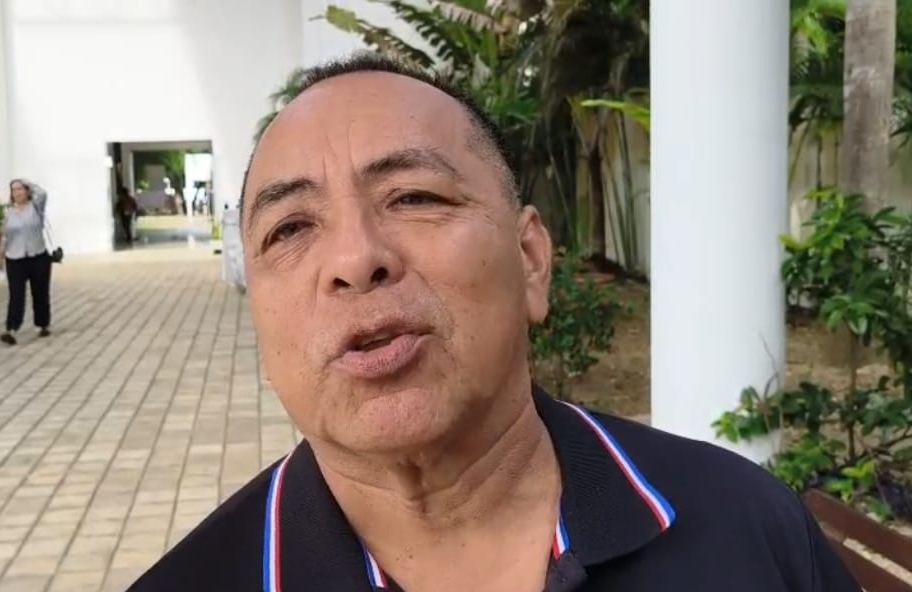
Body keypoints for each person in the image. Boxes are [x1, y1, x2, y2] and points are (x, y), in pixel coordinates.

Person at [129, 53, 860, 592]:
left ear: (532, 259)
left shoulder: (745, 526)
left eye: (414, 197)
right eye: (290, 228)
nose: (356, 259)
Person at [0, 178, 52, 345]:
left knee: (40, 292)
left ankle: (41, 324)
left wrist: (25, 181)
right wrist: (0, 256)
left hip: (38, 255)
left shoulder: (36, 206)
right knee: (16, 295)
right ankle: (11, 329)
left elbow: (43, 193)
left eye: (20, 189)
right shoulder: (8, 212)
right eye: (14, 190)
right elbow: (5, 236)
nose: (17, 192)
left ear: (27, 191)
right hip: (15, 258)